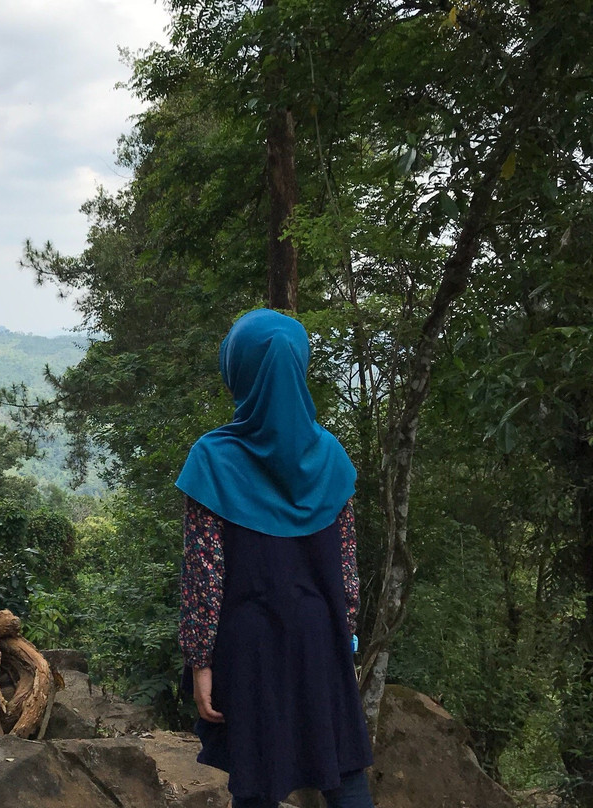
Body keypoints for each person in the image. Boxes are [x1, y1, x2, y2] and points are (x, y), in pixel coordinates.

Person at [176, 309, 376, 808]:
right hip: (320, 638)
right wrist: (345, 637)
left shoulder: (212, 459)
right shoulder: (331, 457)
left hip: (250, 649)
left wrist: (201, 662)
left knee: (257, 783)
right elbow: (347, 573)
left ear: (238, 369)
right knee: (344, 773)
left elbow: (204, 578)